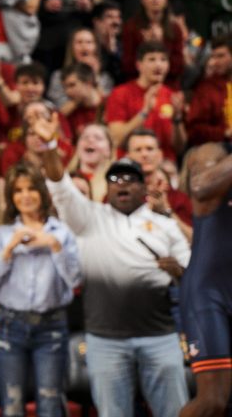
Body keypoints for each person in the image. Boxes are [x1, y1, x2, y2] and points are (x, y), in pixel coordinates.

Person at [40, 146, 190, 417]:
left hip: (159, 337)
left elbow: (191, 274)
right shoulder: (88, 219)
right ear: (106, 188)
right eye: (115, 179)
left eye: (130, 179)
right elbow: (59, 185)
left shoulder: (164, 225)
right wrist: (50, 146)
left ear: (143, 187)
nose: (122, 185)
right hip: (105, 339)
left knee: (175, 412)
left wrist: (178, 272)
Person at [0, 163, 82, 417]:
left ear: (42, 192)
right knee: (12, 404)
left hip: (51, 326)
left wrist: (55, 247)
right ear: (11, 198)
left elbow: (75, 278)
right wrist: (9, 249)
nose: (25, 196)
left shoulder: (62, 232)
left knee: (50, 403)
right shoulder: (2, 234)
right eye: (18, 190)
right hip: (10, 324)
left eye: (30, 189)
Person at [179, 143, 232, 417]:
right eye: (197, 168)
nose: (202, 172)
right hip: (208, 296)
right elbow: (200, 186)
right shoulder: (207, 193)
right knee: (212, 401)